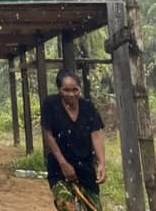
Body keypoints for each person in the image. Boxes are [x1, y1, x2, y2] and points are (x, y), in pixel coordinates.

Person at [41, 69, 107, 211]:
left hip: (85, 166)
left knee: (94, 207)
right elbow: (48, 135)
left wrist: (102, 163)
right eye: (66, 90)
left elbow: (95, 134)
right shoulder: (50, 105)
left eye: (75, 90)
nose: (71, 94)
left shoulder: (88, 107)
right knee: (67, 206)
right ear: (59, 89)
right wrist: (63, 164)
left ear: (80, 89)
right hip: (59, 168)